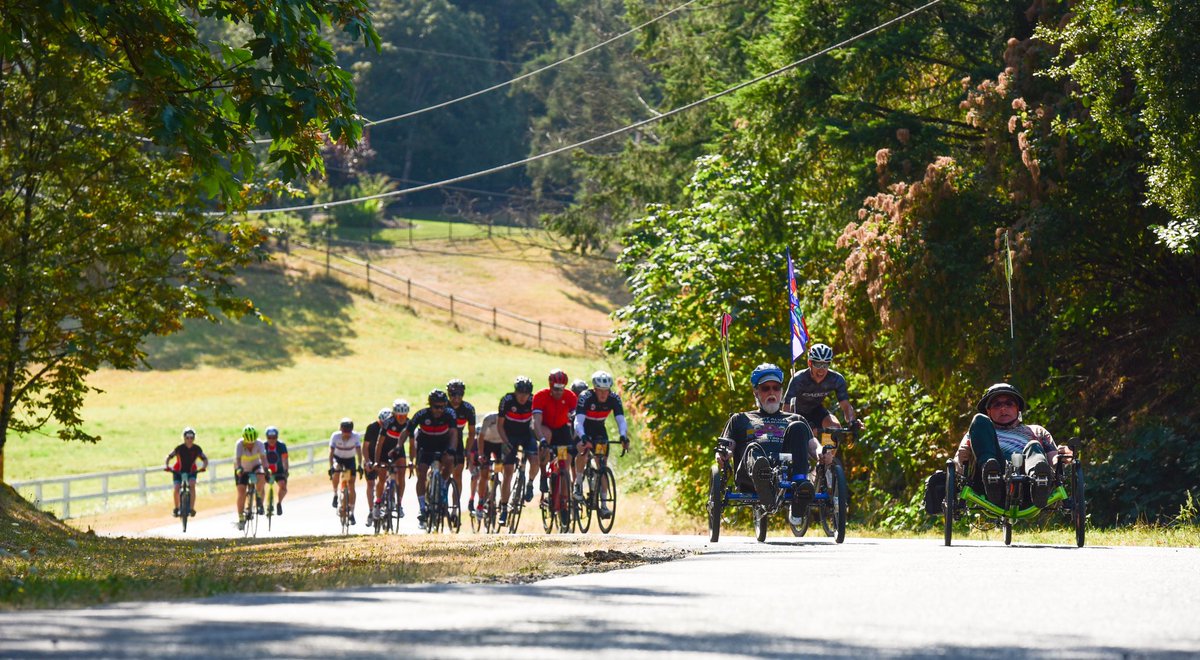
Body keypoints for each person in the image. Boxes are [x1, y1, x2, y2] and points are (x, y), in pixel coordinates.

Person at [718, 363, 816, 524]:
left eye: (776, 388)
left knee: (798, 426)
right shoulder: (740, 418)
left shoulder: (795, 419)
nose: (772, 392)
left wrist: (823, 454)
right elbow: (728, 446)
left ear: (781, 392)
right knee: (753, 448)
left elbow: (814, 447)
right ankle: (763, 481)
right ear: (756, 392)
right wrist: (723, 454)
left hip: (784, 473)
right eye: (766, 388)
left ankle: (800, 488)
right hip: (750, 473)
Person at [953, 383, 1057, 508]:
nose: (1003, 409)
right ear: (988, 411)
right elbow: (959, 463)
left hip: (1027, 486)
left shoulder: (1037, 431)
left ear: (1017, 408)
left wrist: (1063, 457)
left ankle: (1039, 480)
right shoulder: (979, 430)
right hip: (987, 485)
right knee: (978, 419)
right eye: (997, 405)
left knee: (1034, 445)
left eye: (1009, 404)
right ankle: (991, 475)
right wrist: (958, 467)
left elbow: (1054, 459)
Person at [783, 343, 863, 469]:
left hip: (816, 410)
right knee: (806, 438)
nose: (821, 369)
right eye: (817, 364)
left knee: (835, 427)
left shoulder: (836, 379)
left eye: (825, 364)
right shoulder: (798, 379)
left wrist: (852, 422)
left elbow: (846, 406)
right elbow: (786, 407)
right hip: (797, 413)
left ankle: (824, 464)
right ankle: (807, 465)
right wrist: (787, 425)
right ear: (810, 363)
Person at [397, 390, 459, 528]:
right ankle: (422, 508)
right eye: (437, 407)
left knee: (449, 462)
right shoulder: (421, 414)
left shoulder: (450, 414)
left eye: (443, 406)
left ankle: (442, 485)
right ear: (430, 405)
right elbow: (406, 432)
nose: (440, 410)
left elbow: (454, 433)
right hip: (425, 445)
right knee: (422, 474)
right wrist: (398, 446)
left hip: (442, 444)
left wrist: (452, 450)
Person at [573, 370, 629, 519]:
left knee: (602, 464)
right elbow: (578, 421)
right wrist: (583, 437)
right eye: (600, 391)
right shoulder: (585, 397)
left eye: (606, 390)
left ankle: (603, 506)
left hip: (599, 430)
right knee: (583, 452)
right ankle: (578, 484)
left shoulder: (614, 398)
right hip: (584, 428)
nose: (604, 394)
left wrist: (623, 436)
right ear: (594, 389)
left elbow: (621, 420)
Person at [533, 369, 579, 523]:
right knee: (546, 439)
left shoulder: (570, 396)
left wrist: (575, 440)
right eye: (555, 389)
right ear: (550, 386)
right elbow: (536, 422)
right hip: (545, 428)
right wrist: (543, 441)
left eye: (561, 389)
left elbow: (575, 420)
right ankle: (543, 475)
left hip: (561, 429)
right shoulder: (540, 396)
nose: (558, 392)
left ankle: (564, 502)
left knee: (564, 465)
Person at [496, 376, 539, 526]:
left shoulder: (533, 401)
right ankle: (503, 509)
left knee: (535, 460)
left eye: (526, 394)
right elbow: (500, 425)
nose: (523, 397)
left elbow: (538, 421)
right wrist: (505, 442)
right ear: (515, 392)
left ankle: (530, 484)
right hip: (509, 436)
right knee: (507, 472)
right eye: (520, 393)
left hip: (527, 435)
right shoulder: (507, 400)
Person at [446, 379, 476, 520]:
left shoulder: (468, 409)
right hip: (440, 439)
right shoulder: (442, 405)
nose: (456, 399)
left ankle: (454, 509)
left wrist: (468, 452)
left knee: (457, 475)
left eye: (459, 395)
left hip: (457, 442)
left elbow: (471, 434)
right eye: (453, 395)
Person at [377, 399, 410, 519]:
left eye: (404, 415)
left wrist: (411, 461)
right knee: (381, 478)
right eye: (399, 415)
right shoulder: (388, 422)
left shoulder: (408, 423)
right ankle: (378, 503)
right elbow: (379, 444)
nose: (402, 418)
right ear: (394, 414)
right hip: (384, 452)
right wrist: (377, 461)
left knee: (401, 475)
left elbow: (412, 444)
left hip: (398, 451)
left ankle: (399, 503)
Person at [165, 427, 208, 517]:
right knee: (177, 487)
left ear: (194, 438)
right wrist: (167, 466)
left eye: (191, 437)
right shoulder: (179, 448)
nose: (189, 440)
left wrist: (204, 467)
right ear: (184, 438)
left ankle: (191, 508)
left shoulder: (197, 449)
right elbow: (169, 456)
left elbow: (205, 459)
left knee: (192, 485)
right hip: (178, 471)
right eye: (187, 437)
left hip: (191, 471)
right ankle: (176, 508)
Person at [328, 418, 364, 525]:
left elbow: (359, 452)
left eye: (349, 432)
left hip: (350, 460)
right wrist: (331, 467)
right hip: (338, 458)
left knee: (351, 485)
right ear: (341, 430)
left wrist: (359, 465)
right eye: (344, 432)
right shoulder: (335, 436)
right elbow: (331, 452)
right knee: (336, 471)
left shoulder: (355, 436)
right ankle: (335, 494)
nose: (346, 434)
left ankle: (352, 513)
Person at [234, 425, 270, 531]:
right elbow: (238, 459)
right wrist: (239, 469)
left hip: (255, 466)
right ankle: (241, 517)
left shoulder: (259, 443)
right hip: (242, 468)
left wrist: (266, 469)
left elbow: (263, 458)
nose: (251, 444)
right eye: (248, 443)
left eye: (252, 442)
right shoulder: (239, 444)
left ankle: (259, 499)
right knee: (241, 492)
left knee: (261, 475)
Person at [473, 410, 506, 519]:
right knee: (484, 474)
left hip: (500, 445)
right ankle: (481, 502)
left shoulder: (510, 419)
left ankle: (496, 489)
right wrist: (481, 454)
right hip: (487, 443)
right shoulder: (489, 418)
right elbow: (481, 437)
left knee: (501, 468)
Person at [361, 410, 385, 522]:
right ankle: (371, 510)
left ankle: (387, 501)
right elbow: (365, 446)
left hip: (383, 457)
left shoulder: (391, 427)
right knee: (370, 483)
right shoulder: (371, 427)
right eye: (381, 423)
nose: (383, 425)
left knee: (385, 479)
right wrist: (367, 461)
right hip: (371, 457)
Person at [263, 426, 289, 515]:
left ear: (277, 437)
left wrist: (286, 470)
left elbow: (285, 459)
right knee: (260, 484)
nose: (271, 440)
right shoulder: (263, 446)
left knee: (283, 487)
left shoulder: (281, 446)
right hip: (266, 470)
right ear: (266, 437)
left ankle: (279, 503)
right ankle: (260, 504)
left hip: (279, 470)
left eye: (274, 438)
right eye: (269, 438)